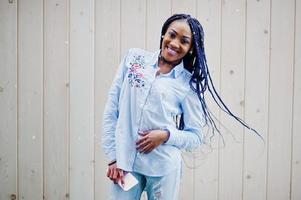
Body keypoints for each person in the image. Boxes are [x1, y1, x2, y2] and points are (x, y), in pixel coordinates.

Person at [102, 13, 260, 200]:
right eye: (172, 34)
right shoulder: (134, 59)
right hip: (125, 164)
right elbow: (112, 109)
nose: (175, 43)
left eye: (184, 41)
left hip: (163, 169)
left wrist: (166, 135)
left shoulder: (188, 85)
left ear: (191, 48)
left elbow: (195, 137)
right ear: (163, 34)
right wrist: (113, 156)